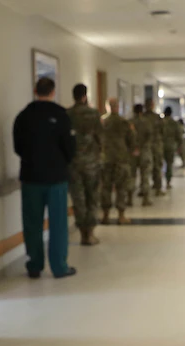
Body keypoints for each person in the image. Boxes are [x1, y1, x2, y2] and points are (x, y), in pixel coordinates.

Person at [13, 77, 77, 279]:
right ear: (53, 92)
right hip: (56, 177)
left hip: (31, 177)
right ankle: (59, 266)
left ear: (35, 91)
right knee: (58, 223)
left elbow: (18, 147)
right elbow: (70, 148)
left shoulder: (23, 116)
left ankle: (34, 265)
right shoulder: (61, 115)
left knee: (32, 223)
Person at [67, 83, 103, 246]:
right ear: (85, 96)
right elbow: (100, 137)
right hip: (91, 163)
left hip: (73, 164)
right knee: (92, 197)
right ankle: (90, 233)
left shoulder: (67, 114)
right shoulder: (94, 114)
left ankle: (82, 233)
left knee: (78, 199)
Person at [101, 98, 134, 225]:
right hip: (121, 159)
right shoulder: (124, 122)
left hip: (106, 158)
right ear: (118, 107)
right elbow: (132, 140)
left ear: (107, 107)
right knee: (121, 187)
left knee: (106, 187)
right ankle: (121, 216)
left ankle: (105, 216)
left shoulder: (102, 121)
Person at [129, 103, 154, 207]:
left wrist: (134, 147)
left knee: (131, 175)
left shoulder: (129, 122)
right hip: (144, 151)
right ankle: (145, 199)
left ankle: (129, 199)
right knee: (145, 175)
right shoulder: (146, 122)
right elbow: (150, 137)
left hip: (132, 152)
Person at [144, 99, 165, 196]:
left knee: (145, 168)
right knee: (157, 166)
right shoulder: (157, 118)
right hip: (156, 145)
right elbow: (163, 131)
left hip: (145, 146)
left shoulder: (142, 117)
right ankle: (158, 188)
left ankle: (144, 189)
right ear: (152, 105)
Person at [161, 107, 183, 190]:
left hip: (160, 146)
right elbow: (179, 136)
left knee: (158, 165)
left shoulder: (160, 122)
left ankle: (157, 183)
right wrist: (179, 146)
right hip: (170, 146)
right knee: (169, 164)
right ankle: (168, 182)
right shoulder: (174, 123)